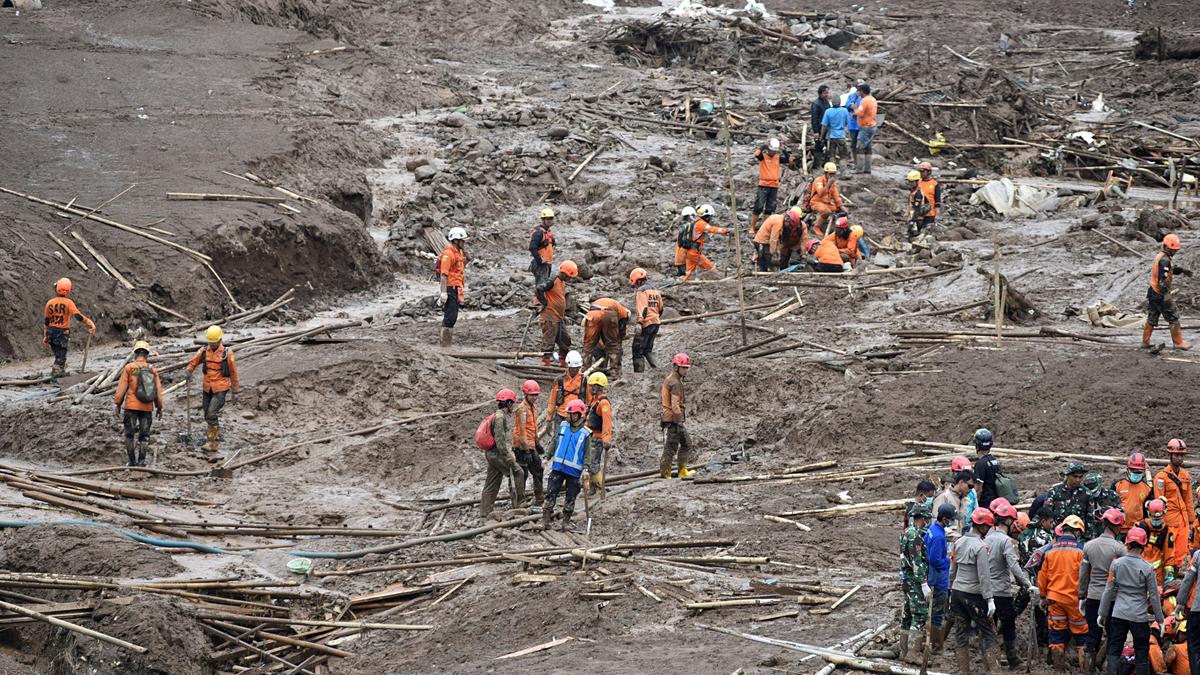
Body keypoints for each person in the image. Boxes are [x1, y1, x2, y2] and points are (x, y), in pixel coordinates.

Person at [1099, 526, 1165, 675]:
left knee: (1114, 646)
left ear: (1127, 544)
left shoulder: (1116, 564)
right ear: (1144, 545)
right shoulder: (1147, 568)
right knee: (1141, 648)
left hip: (1118, 613)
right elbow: (1154, 596)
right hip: (1138, 616)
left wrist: (1102, 613)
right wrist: (1160, 620)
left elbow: (1109, 590)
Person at [984, 500, 1037, 669]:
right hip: (1001, 590)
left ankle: (991, 662)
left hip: (986, 590)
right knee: (1008, 626)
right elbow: (1013, 565)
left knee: (989, 627)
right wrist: (1028, 584)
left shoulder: (987, 538)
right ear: (1007, 520)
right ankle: (1013, 659)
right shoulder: (1005, 541)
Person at [950, 508, 999, 675]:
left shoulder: (959, 542)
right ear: (984, 527)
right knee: (988, 632)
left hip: (957, 592)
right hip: (974, 595)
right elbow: (984, 576)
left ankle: (964, 671)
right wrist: (990, 599)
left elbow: (952, 571)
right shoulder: (980, 547)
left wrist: (951, 592)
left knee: (961, 633)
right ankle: (993, 670)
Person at [1080, 509, 1128, 672]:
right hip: (1113, 599)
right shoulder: (1120, 549)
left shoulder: (1089, 546)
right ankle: (1110, 668)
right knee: (1114, 636)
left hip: (1093, 596)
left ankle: (1089, 669)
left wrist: (1081, 595)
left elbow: (1083, 575)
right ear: (1117, 526)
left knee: (1092, 635)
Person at [1040, 515, 1088, 669]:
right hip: (1075, 601)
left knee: (1056, 637)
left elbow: (1042, 576)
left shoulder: (1049, 551)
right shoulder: (1081, 551)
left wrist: (1042, 596)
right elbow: (1085, 576)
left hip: (1054, 600)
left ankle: (1058, 671)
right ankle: (1086, 670)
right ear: (1077, 532)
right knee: (1082, 638)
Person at [541, 399, 594, 532]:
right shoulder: (563, 426)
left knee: (570, 497)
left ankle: (566, 522)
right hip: (558, 468)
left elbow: (588, 453)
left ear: (577, 415)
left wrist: (586, 468)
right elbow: (554, 442)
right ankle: (545, 521)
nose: (567, 416)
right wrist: (547, 456)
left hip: (574, 472)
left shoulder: (586, 433)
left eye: (569, 413)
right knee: (550, 493)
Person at [186, 325, 239, 458]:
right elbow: (193, 362)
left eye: (214, 342)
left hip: (220, 388)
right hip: (207, 387)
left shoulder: (227, 353)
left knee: (211, 413)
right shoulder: (204, 351)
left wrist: (235, 391)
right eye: (210, 342)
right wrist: (188, 371)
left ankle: (212, 442)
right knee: (206, 413)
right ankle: (214, 435)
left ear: (219, 340)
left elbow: (233, 373)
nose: (212, 344)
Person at [113, 340, 163, 467]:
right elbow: (158, 391)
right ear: (147, 355)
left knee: (129, 435)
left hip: (131, 407)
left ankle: (131, 461)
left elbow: (121, 389)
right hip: (147, 408)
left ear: (135, 353)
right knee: (144, 436)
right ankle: (141, 461)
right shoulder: (152, 370)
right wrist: (159, 407)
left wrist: (118, 403)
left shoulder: (130, 368)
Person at [1144, 233, 1192, 351]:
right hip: (1160, 293)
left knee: (1152, 317)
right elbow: (1162, 280)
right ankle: (1179, 342)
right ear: (1165, 246)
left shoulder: (1161, 256)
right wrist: (1166, 295)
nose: (1174, 252)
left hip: (1153, 292)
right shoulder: (1164, 260)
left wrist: (1181, 270)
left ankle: (1145, 342)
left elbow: (1170, 270)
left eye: (1175, 250)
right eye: (1172, 250)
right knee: (1173, 317)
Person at [480, 389, 522, 521]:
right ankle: (519, 505)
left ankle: (485, 514)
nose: (513, 406)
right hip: (496, 454)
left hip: (491, 454)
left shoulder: (496, 415)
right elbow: (500, 443)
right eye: (512, 403)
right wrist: (509, 458)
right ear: (508, 403)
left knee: (492, 483)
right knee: (518, 472)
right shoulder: (500, 418)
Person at [899, 503, 933, 664]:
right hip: (914, 580)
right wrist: (923, 583)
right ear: (923, 518)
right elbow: (917, 562)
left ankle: (903, 650)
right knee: (919, 615)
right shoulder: (915, 537)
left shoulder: (906, 533)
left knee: (907, 613)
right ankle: (913, 652)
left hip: (906, 579)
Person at [43, 277, 96, 378]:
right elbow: (77, 316)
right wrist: (89, 322)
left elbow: (46, 321)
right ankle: (57, 374)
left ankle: (57, 370)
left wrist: (45, 335)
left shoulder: (49, 303)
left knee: (57, 353)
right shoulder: (68, 303)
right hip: (62, 332)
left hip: (51, 331)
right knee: (61, 354)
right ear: (68, 290)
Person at [1154, 438, 1194, 573]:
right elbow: (1158, 501)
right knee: (1168, 549)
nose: (1179, 458)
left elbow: (1188, 500)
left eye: (1182, 455)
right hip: (1168, 519)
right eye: (1176, 455)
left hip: (1182, 520)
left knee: (1181, 550)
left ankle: (1176, 573)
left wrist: (1191, 521)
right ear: (1170, 455)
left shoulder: (1185, 475)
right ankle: (1167, 575)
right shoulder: (1161, 477)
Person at [535, 260, 578, 366]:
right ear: (564, 273)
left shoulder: (562, 282)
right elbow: (539, 288)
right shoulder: (553, 280)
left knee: (565, 339)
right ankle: (545, 362)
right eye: (568, 277)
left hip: (559, 317)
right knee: (549, 339)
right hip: (550, 316)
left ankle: (563, 361)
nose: (569, 279)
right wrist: (544, 301)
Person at [660, 353, 694, 480]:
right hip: (674, 419)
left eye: (687, 367)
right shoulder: (675, 383)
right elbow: (675, 405)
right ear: (676, 367)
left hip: (669, 418)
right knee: (682, 445)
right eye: (683, 367)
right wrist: (679, 421)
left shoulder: (671, 379)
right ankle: (676, 472)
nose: (686, 370)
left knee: (672, 445)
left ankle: (667, 472)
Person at [927, 502, 956, 654]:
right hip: (939, 579)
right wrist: (948, 560)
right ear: (945, 519)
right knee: (938, 613)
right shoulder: (938, 537)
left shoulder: (932, 530)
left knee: (933, 612)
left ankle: (933, 643)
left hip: (933, 576)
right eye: (950, 519)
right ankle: (936, 647)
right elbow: (934, 559)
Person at [750, 138, 794, 235]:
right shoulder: (763, 157)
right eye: (772, 151)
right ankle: (752, 227)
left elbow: (790, 161)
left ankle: (763, 227)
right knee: (759, 206)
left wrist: (784, 149)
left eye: (775, 151)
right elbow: (757, 154)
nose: (773, 153)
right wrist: (764, 146)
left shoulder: (777, 157)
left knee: (769, 208)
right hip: (763, 185)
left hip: (774, 186)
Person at [512, 380, 544, 506]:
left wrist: (537, 444)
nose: (534, 397)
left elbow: (533, 428)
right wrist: (525, 450)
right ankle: (520, 501)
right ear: (526, 394)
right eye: (532, 395)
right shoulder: (522, 409)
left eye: (536, 395)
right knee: (522, 474)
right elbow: (522, 431)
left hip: (530, 444)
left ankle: (539, 499)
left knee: (538, 470)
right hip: (521, 445)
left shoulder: (533, 408)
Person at [437, 226, 468, 350]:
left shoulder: (458, 252)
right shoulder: (448, 254)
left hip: (457, 287)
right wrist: (443, 293)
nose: (464, 242)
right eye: (462, 240)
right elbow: (444, 275)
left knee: (453, 316)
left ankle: (446, 344)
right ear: (455, 240)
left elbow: (459, 268)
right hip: (450, 288)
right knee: (450, 317)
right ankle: (445, 345)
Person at [581, 298, 629, 378]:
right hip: (609, 314)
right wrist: (618, 342)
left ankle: (585, 368)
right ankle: (614, 371)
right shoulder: (624, 314)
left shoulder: (605, 302)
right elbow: (621, 332)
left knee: (589, 344)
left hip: (593, 314)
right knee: (612, 344)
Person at [1045, 462, 1093, 539]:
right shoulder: (1055, 491)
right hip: (1057, 533)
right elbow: (1046, 513)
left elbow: (1090, 517)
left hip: (1077, 535)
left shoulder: (1086, 493)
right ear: (1067, 475)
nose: (1078, 480)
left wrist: (1088, 537)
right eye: (1075, 476)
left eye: (1080, 477)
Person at [683, 204, 730, 281]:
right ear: (706, 216)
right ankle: (720, 281)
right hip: (694, 252)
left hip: (689, 251)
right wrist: (726, 231)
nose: (711, 218)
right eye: (710, 216)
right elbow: (712, 229)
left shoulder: (695, 221)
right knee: (711, 268)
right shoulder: (701, 223)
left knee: (689, 273)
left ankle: (687, 282)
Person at [545, 350, 588, 436]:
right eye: (573, 368)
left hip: (578, 418)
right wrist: (549, 419)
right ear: (568, 366)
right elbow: (552, 401)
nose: (575, 370)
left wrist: (586, 419)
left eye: (577, 368)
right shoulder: (559, 380)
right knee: (558, 441)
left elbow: (589, 401)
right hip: (561, 416)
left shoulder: (584, 380)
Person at [630, 268, 664, 373]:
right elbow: (661, 307)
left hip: (646, 323)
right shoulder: (655, 290)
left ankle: (638, 375)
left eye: (635, 283)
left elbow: (643, 308)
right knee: (648, 349)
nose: (636, 285)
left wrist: (640, 322)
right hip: (656, 322)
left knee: (637, 350)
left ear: (639, 280)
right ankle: (658, 370)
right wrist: (655, 317)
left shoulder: (641, 291)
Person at [1138, 498, 1178, 585]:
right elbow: (1129, 548)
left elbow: (1169, 555)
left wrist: (1169, 574)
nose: (1156, 521)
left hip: (1156, 574)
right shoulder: (1140, 527)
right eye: (1154, 519)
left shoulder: (1167, 532)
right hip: (1138, 570)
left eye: (1158, 519)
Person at [1174, 544, 1200, 674]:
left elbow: (1188, 579)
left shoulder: (1198, 555)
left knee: (1194, 646)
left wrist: (1180, 602)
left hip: (1197, 609)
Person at [584, 372, 612, 495]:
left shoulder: (603, 403)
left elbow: (607, 422)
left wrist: (606, 440)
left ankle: (601, 489)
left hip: (597, 438)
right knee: (589, 464)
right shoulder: (594, 401)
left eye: (591, 386)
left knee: (593, 465)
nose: (589, 388)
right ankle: (592, 488)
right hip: (590, 437)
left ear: (597, 386)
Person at [1115, 453, 1154, 535]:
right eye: (1134, 471)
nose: (1136, 474)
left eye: (1139, 472)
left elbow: (1149, 512)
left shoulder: (1147, 489)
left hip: (1138, 530)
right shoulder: (1117, 485)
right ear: (1128, 470)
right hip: (1119, 530)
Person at [933, 469, 976, 543]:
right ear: (961, 482)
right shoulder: (944, 497)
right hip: (944, 542)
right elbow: (935, 523)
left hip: (958, 543)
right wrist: (956, 537)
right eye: (970, 486)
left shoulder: (963, 499)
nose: (971, 490)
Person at [805, 163, 844, 236]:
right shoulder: (818, 181)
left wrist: (841, 206)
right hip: (816, 202)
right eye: (830, 174)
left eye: (833, 174)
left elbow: (836, 196)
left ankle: (838, 227)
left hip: (826, 203)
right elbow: (820, 193)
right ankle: (816, 227)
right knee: (826, 211)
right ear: (826, 173)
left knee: (839, 209)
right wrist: (828, 184)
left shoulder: (833, 183)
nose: (832, 176)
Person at [848, 83, 878, 173]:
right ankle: (867, 168)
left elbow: (860, 113)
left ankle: (859, 168)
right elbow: (865, 112)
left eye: (859, 90)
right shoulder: (873, 99)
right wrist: (855, 113)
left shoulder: (864, 101)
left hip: (866, 127)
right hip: (872, 125)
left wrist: (854, 108)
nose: (858, 92)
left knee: (860, 148)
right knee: (868, 148)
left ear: (862, 91)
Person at [1085, 473, 1123, 540]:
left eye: (1094, 491)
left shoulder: (1111, 495)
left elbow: (1122, 513)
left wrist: (1108, 515)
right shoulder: (1084, 496)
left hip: (1109, 533)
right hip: (1089, 534)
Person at [972, 428, 1002, 508]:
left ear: (977, 445)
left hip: (985, 504)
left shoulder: (980, 464)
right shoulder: (995, 461)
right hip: (996, 503)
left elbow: (978, 489)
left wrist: (974, 507)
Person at [529, 208, 556, 286]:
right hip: (540, 265)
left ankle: (542, 297)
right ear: (543, 220)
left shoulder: (548, 232)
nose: (550, 220)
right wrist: (540, 259)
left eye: (551, 218)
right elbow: (532, 248)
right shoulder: (538, 233)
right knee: (541, 287)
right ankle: (539, 298)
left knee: (544, 285)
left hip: (547, 263)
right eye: (547, 219)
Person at [809, 85, 834, 168]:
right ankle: (817, 165)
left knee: (828, 146)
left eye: (827, 93)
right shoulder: (816, 104)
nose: (827, 94)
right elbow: (814, 118)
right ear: (820, 93)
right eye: (825, 93)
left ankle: (826, 164)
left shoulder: (826, 102)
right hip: (820, 128)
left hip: (827, 128)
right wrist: (815, 131)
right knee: (818, 146)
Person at [820, 100, 851, 167]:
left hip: (831, 136)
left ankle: (832, 172)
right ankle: (844, 172)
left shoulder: (828, 111)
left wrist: (821, 136)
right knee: (843, 156)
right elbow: (848, 123)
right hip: (841, 135)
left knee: (832, 155)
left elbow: (824, 126)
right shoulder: (845, 111)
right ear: (840, 102)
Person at [916, 162, 941, 233]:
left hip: (930, 214)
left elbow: (937, 200)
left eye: (923, 171)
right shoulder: (918, 182)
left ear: (929, 172)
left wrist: (937, 214)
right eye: (920, 171)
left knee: (927, 233)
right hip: (918, 213)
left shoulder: (934, 184)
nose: (921, 173)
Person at [906, 170, 933, 238]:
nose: (910, 183)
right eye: (909, 181)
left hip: (917, 219)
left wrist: (912, 221)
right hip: (914, 217)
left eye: (912, 182)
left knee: (914, 236)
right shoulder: (914, 191)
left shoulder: (918, 193)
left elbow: (917, 208)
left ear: (917, 181)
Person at [674, 206, 696, 277]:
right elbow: (685, 244)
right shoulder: (688, 227)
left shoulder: (683, 226)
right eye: (693, 215)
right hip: (683, 258)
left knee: (681, 276)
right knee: (686, 277)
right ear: (689, 216)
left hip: (679, 258)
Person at [845, 84, 863, 168]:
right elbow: (847, 106)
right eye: (857, 91)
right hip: (852, 123)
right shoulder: (851, 96)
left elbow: (862, 109)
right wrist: (852, 104)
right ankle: (855, 163)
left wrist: (856, 109)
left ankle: (861, 164)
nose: (858, 92)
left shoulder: (863, 98)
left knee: (861, 144)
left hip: (861, 123)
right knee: (853, 144)